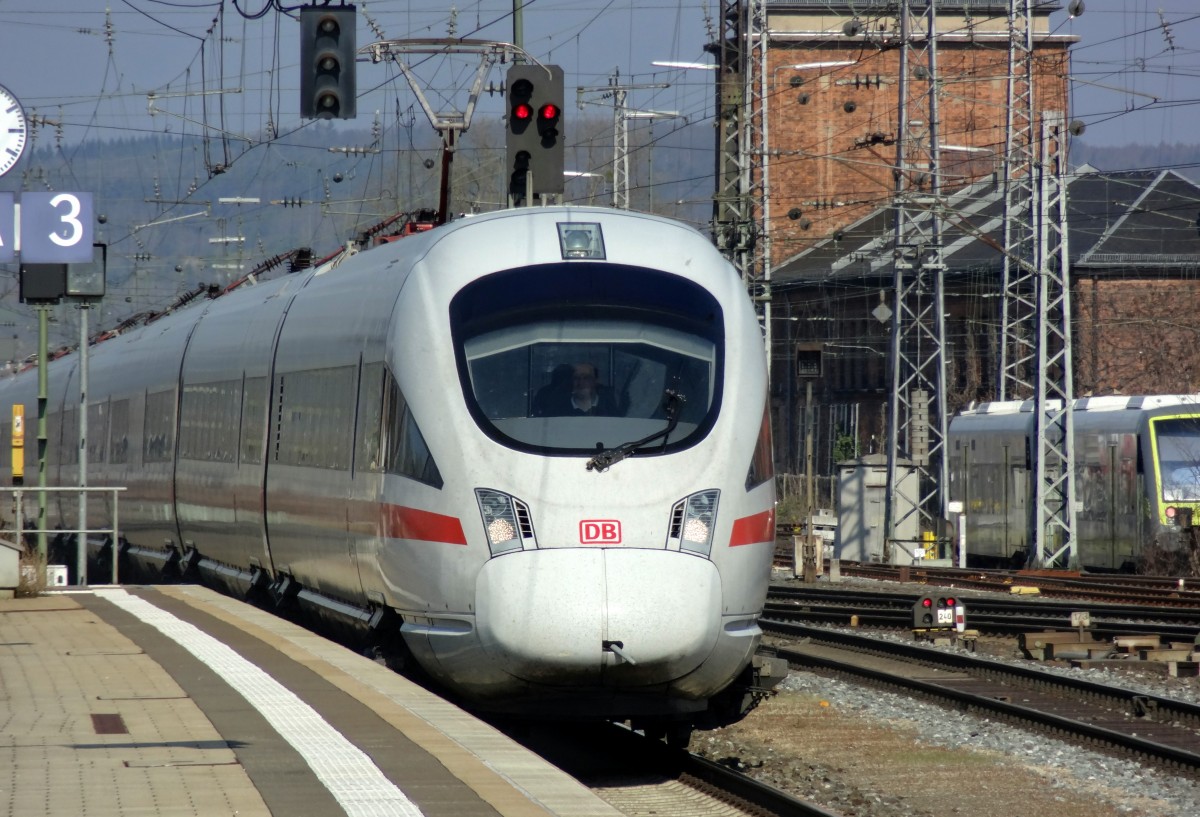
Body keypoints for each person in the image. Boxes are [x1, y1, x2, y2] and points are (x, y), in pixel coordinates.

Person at [533, 362, 619, 416]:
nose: (581, 382)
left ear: (596, 381)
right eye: (576, 378)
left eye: (586, 378)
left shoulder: (610, 409)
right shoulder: (556, 410)